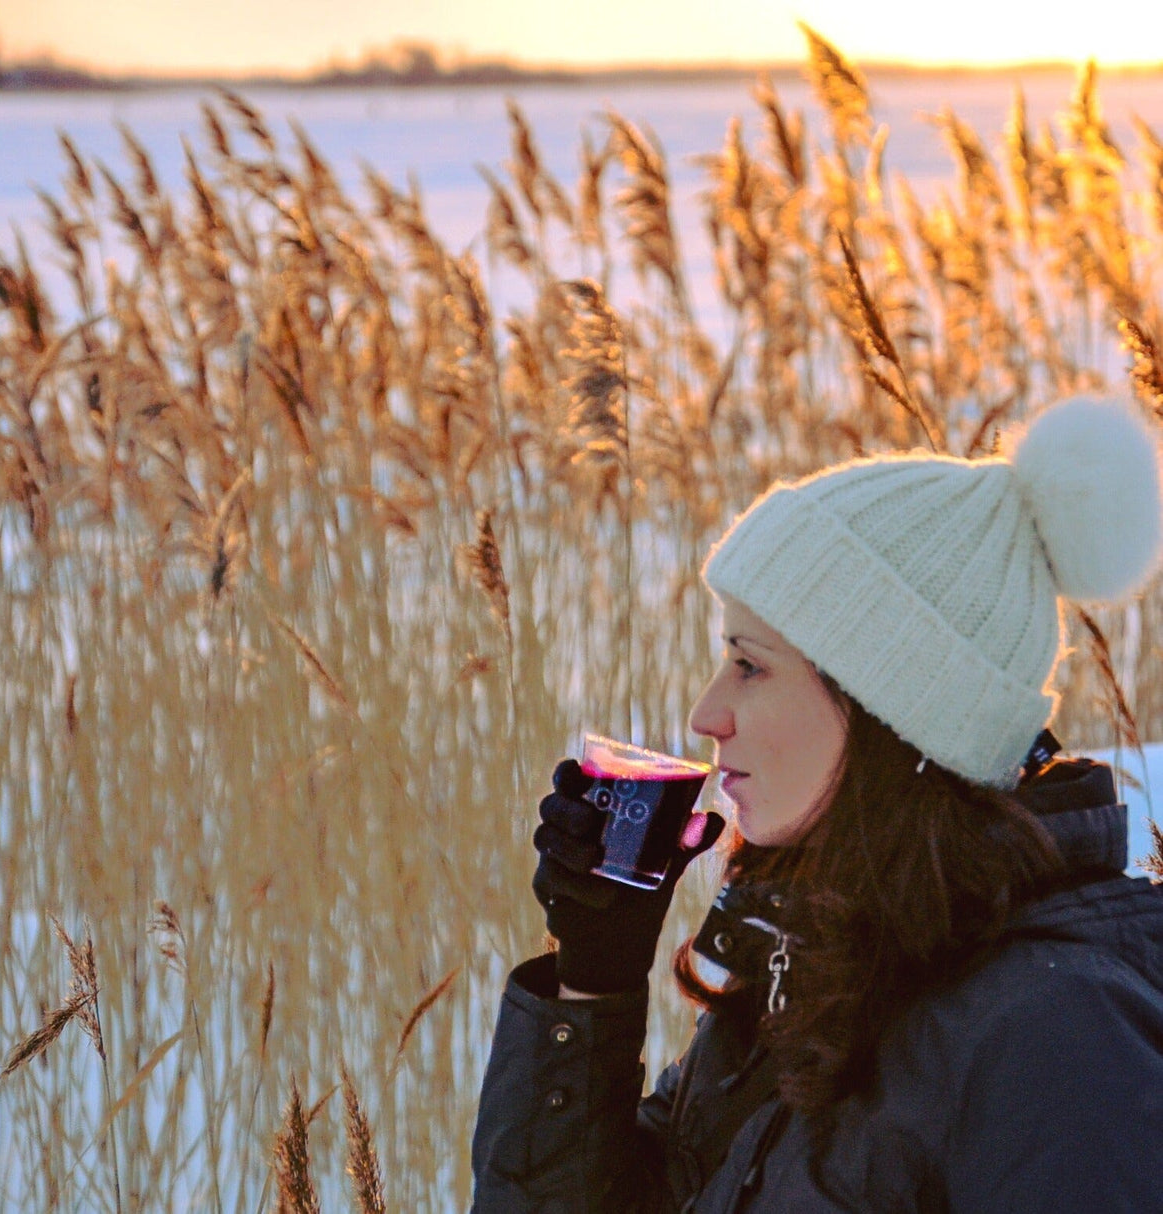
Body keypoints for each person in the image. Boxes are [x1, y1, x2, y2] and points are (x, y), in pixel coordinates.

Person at [470, 394, 1163, 1212]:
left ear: (892, 711)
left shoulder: (1056, 1042)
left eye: (749, 665)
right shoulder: (820, 959)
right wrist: (594, 979)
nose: (706, 715)